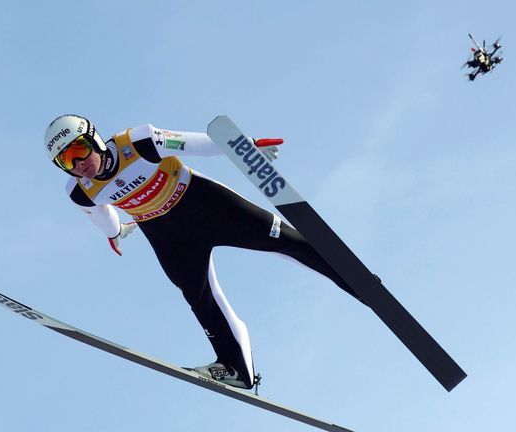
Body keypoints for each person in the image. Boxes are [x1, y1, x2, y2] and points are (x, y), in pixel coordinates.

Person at [45, 114, 365, 389]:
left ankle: (356, 280)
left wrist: (245, 146)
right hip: (169, 237)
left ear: (94, 139)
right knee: (199, 299)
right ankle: (236, 368)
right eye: (66, 161)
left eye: (78, 150)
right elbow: (102, 216)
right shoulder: (80, 191)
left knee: (286, 240)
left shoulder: (138, 142)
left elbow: (194, 144)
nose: (78, 164)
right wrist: (115, 234)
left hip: (206, 206)